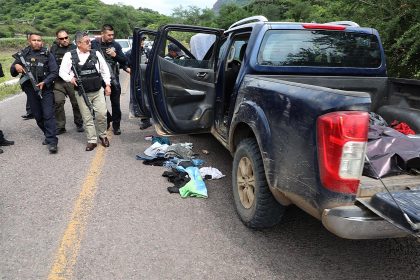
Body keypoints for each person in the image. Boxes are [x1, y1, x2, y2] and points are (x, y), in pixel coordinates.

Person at [59, 31, 111, 151]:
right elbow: (62, 72)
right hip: (82, 92)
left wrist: (107, 84)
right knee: (87, 117)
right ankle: (92, 140)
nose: (90, 44)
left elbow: (105, 70)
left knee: (101, 115)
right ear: (78, 43)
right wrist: (70, 79)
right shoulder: (70, 55)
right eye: (87, 42)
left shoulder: (96, 53)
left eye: (90, 41)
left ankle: (103, 136)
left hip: (97, 91)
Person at [10, 33, 58, 154]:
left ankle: (52, 141)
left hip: (45, 89)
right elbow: (13, 72)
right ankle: (48, 134)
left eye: (39, 40)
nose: (37, 42)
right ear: (29, 41)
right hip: (31, 90)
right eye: (34, 40)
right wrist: (16, 66)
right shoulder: (23, 54)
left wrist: (45, 82)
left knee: (48, 115)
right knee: (38, 116)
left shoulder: (47, 54)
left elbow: (54, 72)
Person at [91, 24, 129, 135]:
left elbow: (124, 60)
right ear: (102, 33)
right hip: (98, 78)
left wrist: (115, 55)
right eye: (109, 35)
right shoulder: (94, 44)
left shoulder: (116, 45)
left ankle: (116, 126)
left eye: (112, 34)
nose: (111, 37)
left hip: (113, 78)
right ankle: (107, 119)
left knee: (115, 104)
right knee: (98, 105)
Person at [50, 29, 84, 135]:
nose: (64, 40)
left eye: (66, 37)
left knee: (76, 103)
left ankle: (79, 123)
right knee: (58, 102)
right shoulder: (53, 49)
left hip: (72, 80)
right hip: (58, 81)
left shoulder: (74, 48)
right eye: (61, 38)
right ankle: (60, 126)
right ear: (57, 39)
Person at [125, 37, 151, 130]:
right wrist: (129, 70)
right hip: (137, 79)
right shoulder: (129, 53)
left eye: (142, 41)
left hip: (148, 78)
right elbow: (124, 65)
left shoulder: (148, 51)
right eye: (140, 41)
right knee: (140, 98)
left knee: (151, 97)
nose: (142, 42)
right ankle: (145, 120)